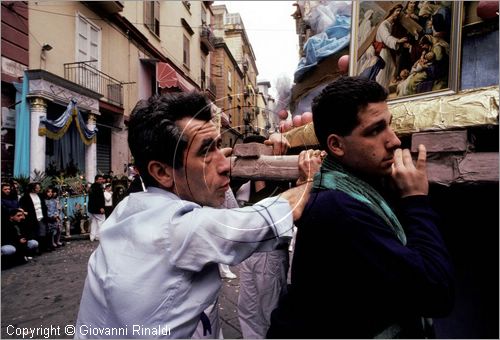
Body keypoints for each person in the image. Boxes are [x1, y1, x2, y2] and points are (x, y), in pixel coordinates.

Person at [75, 92, 321, 339]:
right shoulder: (178, 228)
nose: (226, 166)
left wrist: (208, 162)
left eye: (217, 146)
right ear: (161, 171)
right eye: (205, 151)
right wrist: (310, 177)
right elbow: (275, 213)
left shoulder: (130, 209)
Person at [268, 76, 454, 338]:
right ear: (336, 145)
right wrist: (416, 200)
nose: (394, 141)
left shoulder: (357, 186)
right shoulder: (339, 208)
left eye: (389, 126)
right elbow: (436, 293)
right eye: (374, 131)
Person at [373, 4, 409, 89]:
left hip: (387, 50)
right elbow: (387, 38)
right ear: (392, 12)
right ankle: (380, 87)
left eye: (400, 11)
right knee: (384, 71)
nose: (398, 13)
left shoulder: (391, 24)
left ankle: (384, 88)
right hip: (383, 51)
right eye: (397, 11)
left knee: (392, 68)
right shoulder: (384, 25)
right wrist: (398, 41)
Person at [87, 175, 105, 242]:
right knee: (101, 221)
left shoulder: (92, 187)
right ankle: (99, 236)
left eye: (101, 179)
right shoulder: (98, 187)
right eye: (99, 179)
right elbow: (97, 199)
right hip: (97, 208)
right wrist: (101, 207)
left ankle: (92, 237)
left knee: (94, 222)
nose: (101, 180)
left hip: (92, 208)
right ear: (96, 180)